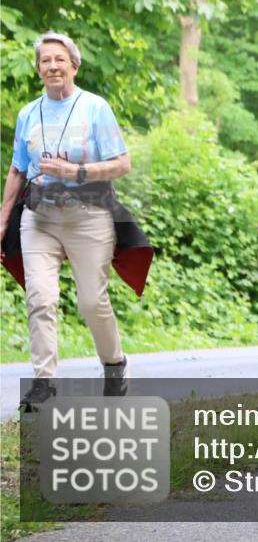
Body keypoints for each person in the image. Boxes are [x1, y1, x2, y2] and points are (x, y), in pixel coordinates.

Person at [0, 31, 150, 410]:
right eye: (45, 60)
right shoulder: (27, 114)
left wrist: (74, 171)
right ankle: (44, 383)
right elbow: (18, 171)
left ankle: (114, 365)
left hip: (89, 217)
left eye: (59, 59)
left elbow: (123, 163)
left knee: (90, 302)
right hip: (38, 219)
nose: (52, 66)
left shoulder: (94, 108)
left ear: (74, 65)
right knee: (41, 298)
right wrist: (3, 221)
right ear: (38, 69)